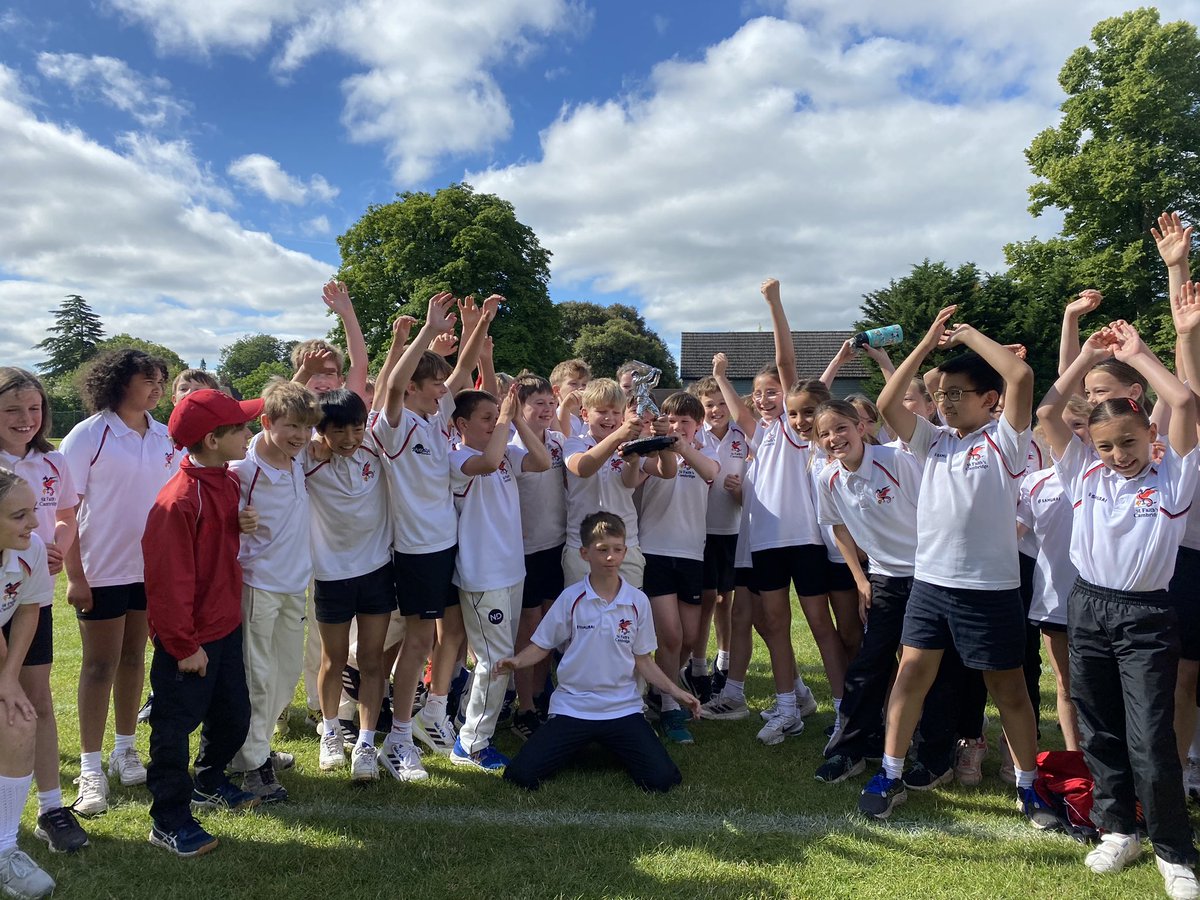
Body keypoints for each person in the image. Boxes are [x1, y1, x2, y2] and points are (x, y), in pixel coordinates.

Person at [859, 305, 1052, 826]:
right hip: (930, 586)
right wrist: (925, 345)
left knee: (1007, 688)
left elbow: (1021, 375)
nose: (943, 403)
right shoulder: (935, 441)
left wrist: (965, 333)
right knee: (911, 675)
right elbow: (884, 403)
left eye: (955, 395)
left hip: (989, 589)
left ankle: (1028, 787)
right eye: (940, 395)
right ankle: (891, 773)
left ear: (989, 401)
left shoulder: (1006, 440)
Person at [1038, 301, 1200, 898]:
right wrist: (1086, 355)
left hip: (1147, 617)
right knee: (1100, 726)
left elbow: (1183, 402)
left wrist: (1136, 356)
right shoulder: (1083, 473)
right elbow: (1049, 409)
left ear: (1149, 436)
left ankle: (1174, 850)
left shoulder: (1173, 478)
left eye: (1128, 442)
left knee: (1150, 737)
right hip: (1087, 607)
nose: (1117, 455)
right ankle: (1118, 827)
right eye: (1105, 446)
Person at [369, 292, 494, 780]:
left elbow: (462, 374)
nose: (445, 389)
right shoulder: (395, 425)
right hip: (416, 551)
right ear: (416, 387)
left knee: (451, 637)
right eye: (434, 383)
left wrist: (477, 326)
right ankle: (397, 740)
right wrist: (421, 332)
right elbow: (393, 386)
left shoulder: (436, 420)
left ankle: (426, 718)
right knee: (418, 644)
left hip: (446, 547)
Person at [143, 389, 265, 857]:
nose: (249, 433)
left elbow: (215, 542)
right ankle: (168, 819)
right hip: (188, 642)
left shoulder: (226, 481)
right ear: (213, 440)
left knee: (233, 717)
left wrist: (239, 523)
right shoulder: (177, 501)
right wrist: (183, 645)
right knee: (174, 729)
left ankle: (210, 781)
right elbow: (167, 583)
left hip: (225, 627)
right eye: (240, 428)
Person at [497, 512, 700, 791]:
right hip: (573, 707)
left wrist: (676, 692)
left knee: (662, 780)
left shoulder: (637, 601)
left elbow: (644, 661)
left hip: (622, 708)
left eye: (617, 550)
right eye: (602, 550)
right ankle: (587, 744)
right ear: (584, 553)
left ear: (625, 552)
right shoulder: (571, 598)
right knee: (520, 775)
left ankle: (602, 743)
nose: (610, 558)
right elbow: (542, 645)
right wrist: (517, 661)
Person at [59, 349, 179, 815]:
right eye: (146, 379)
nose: (156, 388)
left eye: (160, 380)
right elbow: (66, 510)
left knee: (134, 659)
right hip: (100, 570)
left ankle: (125, 749)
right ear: (117, 383)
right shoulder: (89, 435)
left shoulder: (165, 436)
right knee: (98, 665)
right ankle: (90, 768)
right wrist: (76, 576)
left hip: (148, 570)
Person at [0, 368, 87, 851]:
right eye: (12, 409)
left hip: (27, 597)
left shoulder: (52, 461)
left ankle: (52, 808)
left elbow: (65, 515)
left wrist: (57, 547)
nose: (26, 419)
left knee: (37, 701)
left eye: (34, 408)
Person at [448, 386, 550, 768]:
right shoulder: (456, 458)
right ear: (462, 424)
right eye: (486, 419)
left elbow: (542, 461)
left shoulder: (505, 452)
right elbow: (487, 463)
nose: (495, 424)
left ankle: (468, 726)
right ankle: (471, 743)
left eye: (496, 416)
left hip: (511, 571)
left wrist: (517, 421)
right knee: (496, 661)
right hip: (482, 576)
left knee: (496, 659)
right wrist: (506, 420)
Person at [229, 379, 321, 802]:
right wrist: (236, 520)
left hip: (293, 584)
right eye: (291, 427)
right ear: (266, 423)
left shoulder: (297, 461)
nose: (300, 436)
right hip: (258, 584)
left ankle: (254, 746)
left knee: (284, 675)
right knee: (258, 677)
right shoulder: (242, 470)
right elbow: (206, 502)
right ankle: (253, 767)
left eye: (306, 428)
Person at [302, 389, 394, 782]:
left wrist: (405, 340)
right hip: (331, 576)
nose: (350, 438)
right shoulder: (306, 459)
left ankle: (367, 744)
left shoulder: (373, 445)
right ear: (320, 431)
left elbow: (389, 384)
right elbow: (274, 431)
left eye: (355, 428)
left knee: (372, 662)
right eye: (338, 431)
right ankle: (332, 732)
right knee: (332, 660)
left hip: (376, 571)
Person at [638, 392, 719, 743]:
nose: (676, 426)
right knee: (669, 635)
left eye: (684, 421)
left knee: (687, 636)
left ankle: (660, 689)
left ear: (697, 425)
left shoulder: (704, 452)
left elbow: (711, 472)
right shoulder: (650, 449)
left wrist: (683, 447)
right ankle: (670, 709)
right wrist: (660, 445)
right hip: (653, 550)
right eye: (671, 420)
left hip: (691, 553)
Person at [0, 469, 57, 896]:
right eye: (19, 515)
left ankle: (4, 851)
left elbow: (27, 609)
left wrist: (9, 678)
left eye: (33, 511)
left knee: (18, 720)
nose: (34, 524)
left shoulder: (30, 548)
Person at [507, 373, 568, 738]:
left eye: (550, 403)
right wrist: (513, 418)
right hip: (526, 549)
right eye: (538, 404)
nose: (546, 410)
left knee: (549, 627)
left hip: (556, 545)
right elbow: (540, 462)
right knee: (529, 630)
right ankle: (524, 707)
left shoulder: (559, 440)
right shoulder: (513, 446)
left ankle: (542, 697)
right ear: (521, 407)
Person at [563, 378, 666, 590]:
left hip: (625, 545)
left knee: (626, 617)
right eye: (601, 411)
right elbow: (583, 468)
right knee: (583, 617)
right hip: (582, 546)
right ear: (584, 414)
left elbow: (665, 472)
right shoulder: (575, 442)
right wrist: (620, 436)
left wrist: (664, 439)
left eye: (616, 412)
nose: (610, 418)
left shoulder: (630, 444)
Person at [686, 373, 748, 703]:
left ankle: (723, 662)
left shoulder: (743, 435)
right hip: (701, 529)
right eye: (710, 405)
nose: (717, 410)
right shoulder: (696, 435)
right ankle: (696, 667)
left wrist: (742, 491)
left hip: (734, 529)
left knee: (728, 600)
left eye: (723, 403)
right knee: (706, 599)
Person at [549, 358, 590, 438]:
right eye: (574, 384)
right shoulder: (551, 418)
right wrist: (566, 406)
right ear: (557, 390)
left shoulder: (591, 416)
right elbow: (562, 442)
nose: (581, 388)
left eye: (584, 384)